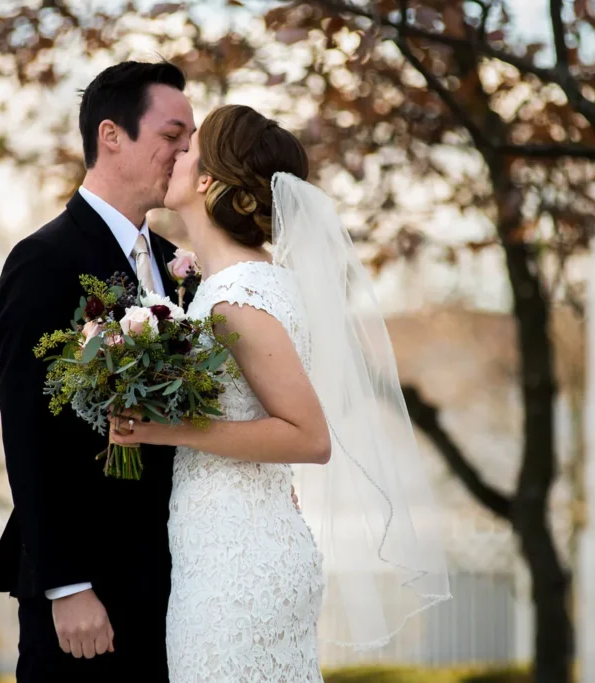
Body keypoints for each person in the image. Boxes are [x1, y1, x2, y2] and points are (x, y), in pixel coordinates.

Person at [110, 104, 451, 683]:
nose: (176, 152)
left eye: (190, 147)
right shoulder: (235, 283)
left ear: (209, 181)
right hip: (226, 546)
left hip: (238, 567)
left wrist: (160, 429)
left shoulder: (238, 295)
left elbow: (309, 436)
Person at [0, 61, 195, 682]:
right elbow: (28, 432)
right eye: (171, 135)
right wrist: (66, 584)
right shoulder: (45, 260)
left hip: (176, 580)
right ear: (111, 136)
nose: (185, 153)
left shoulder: (179, 265)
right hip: (89, 592)